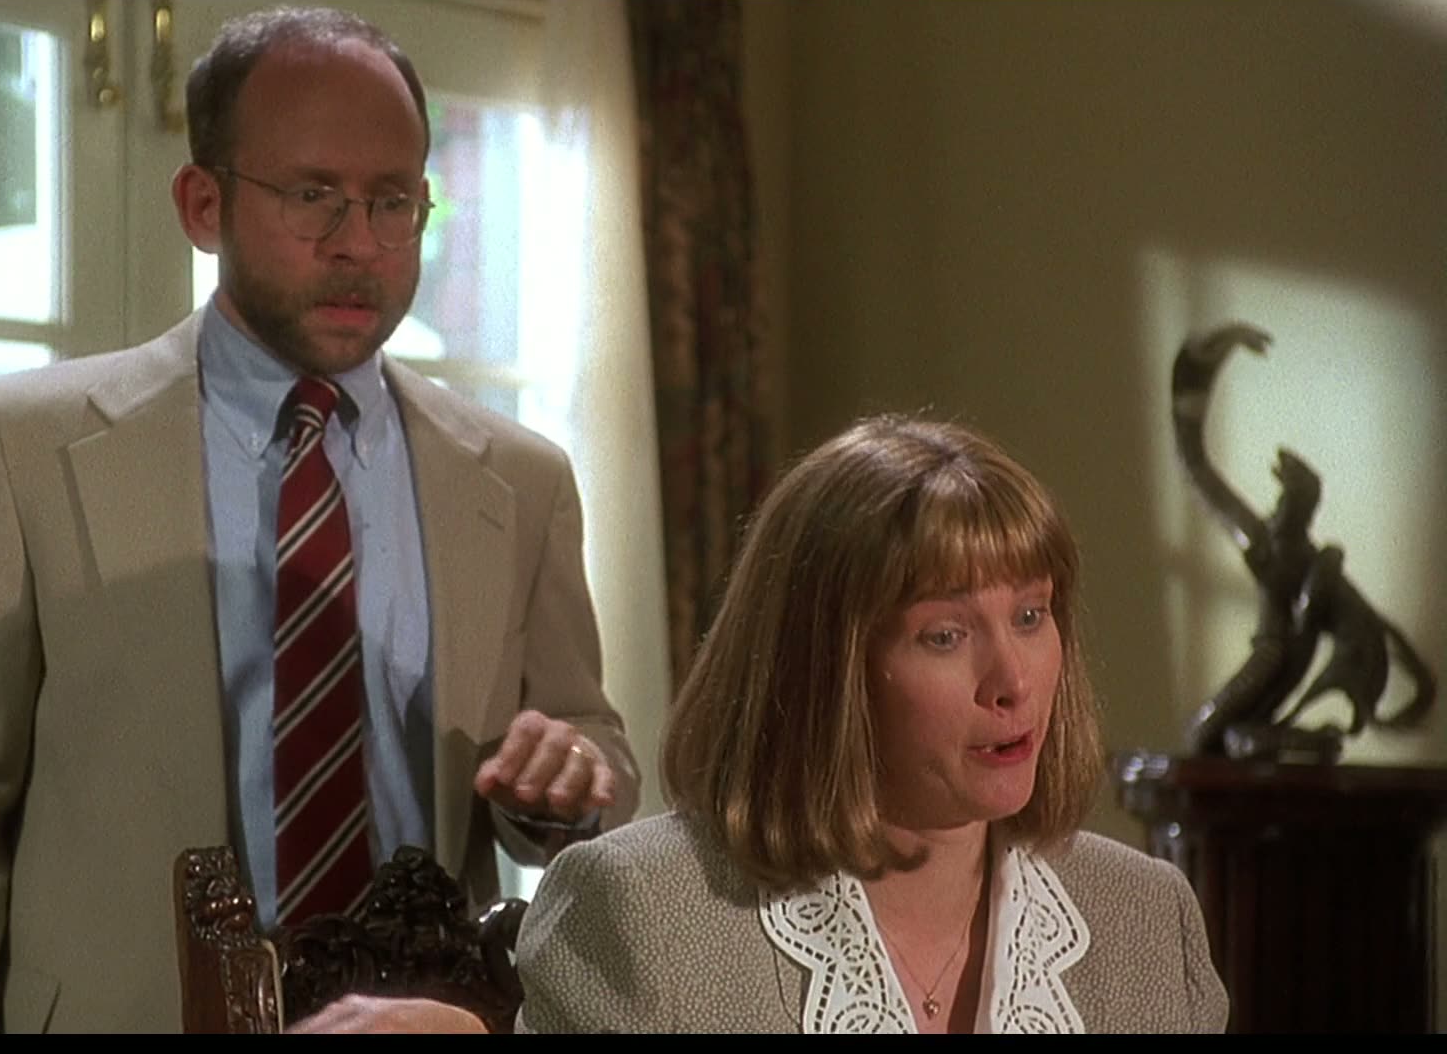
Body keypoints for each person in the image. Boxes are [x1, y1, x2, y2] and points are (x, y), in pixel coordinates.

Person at [0, 4, 639, 1034]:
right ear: (202, 203)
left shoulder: (520, 480)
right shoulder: (22, 450)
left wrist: (573, 777)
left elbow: (587, 746)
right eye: (313, 197)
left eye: (393, 202)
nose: (358, 244)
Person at [515, 414, 1228, 1034]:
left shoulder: (1147, 917)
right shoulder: (643, 912)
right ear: (825, 669)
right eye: (945, 635)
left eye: (1030, 615)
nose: (1014, 682)